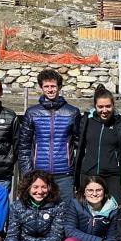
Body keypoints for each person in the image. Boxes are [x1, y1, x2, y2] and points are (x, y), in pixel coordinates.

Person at [17, 69, 81, 202]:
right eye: (46, 86)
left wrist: (74, 170)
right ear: (41, 87)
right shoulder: (32, 113)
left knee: (66, 213)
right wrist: (28, 174)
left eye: (53, 86)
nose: (50, 90)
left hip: (64, 174)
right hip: (39, 174)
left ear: (59, 87)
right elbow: (24, 147)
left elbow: (78, 144)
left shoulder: (72, 112)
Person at [74, 85, 121, 205]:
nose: (104, 110)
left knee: (117, 208)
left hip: (112, 175)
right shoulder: (87, 121)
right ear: (95, 106)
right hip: (89, 173)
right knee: (86, 210)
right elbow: (78, 145)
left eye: (108, 106)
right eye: (100, 107)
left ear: (113, 105)